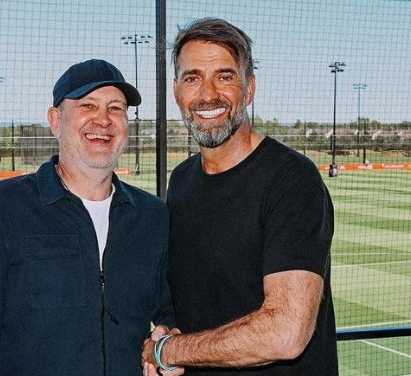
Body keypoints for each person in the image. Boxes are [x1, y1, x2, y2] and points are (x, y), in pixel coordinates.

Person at [0, 59, 174, 376]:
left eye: (116, 108)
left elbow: (171, 308)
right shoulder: (5, 205)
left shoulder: (151, 214)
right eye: (87, 105)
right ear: (55, 121)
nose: (103, 120)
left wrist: (166, 337)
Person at [142, 17, 338, 375]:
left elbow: (285, 333)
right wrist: (166, 331)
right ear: (177, 92)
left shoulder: (292, 180)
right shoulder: (182, 179)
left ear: (248, 90)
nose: (207, 94)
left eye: (225, 76)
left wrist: (169, 351)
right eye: (192, 78)